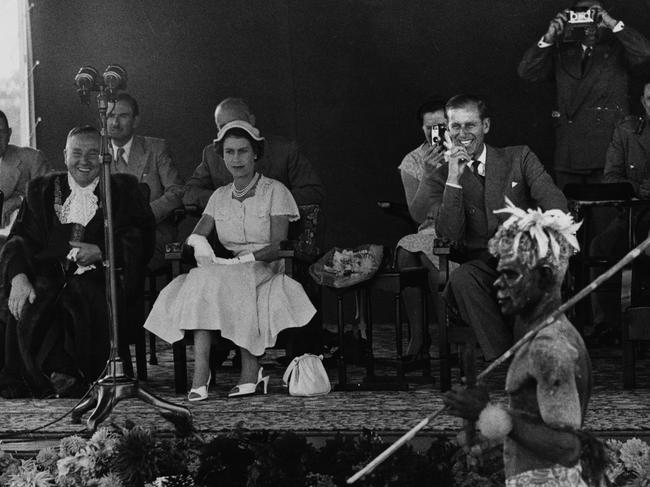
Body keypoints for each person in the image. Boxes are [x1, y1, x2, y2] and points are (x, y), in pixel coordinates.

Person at [144, 120, 316, 400]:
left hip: (267, 266)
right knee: (199, 277)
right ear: (221, 156)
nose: (236, 159)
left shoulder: (276, 191)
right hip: (231, 269)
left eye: (243, 151)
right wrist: (199, 244)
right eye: (230, 152)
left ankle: (250, 367)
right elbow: (197, 234)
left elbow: (278, 244)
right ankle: (202, 372)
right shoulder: (219, 197)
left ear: (255, 154)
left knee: (231, 276)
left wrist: (245, 259)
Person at [444, 202, 600, 487]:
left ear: (544, 276)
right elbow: (539, 423)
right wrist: (488, 439)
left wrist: (487, 412)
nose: (497, 285)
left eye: (511, 274)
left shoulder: (548, 347)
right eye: (499, 272)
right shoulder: (544, 337)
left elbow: (567, 447)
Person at [0, 126, 155, 398]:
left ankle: (74, 374)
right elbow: (18, 240)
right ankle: (56, 372)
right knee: (32, 300)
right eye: (77, 153)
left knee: (83, 298)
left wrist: (102, 251)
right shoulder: (41, 189)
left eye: (93, 153)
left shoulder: (123, 189)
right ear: (64, 155)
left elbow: (141, 239)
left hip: (97, 276)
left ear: (105, 155)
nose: (84, 161)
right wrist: (18, 277)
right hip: (47, 275)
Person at [429, 94, 567, 360]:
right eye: (455, 127)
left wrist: (531, 238)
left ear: (486, 126)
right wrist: (455, 177)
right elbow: (448, 235)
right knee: (461, 278)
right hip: (484, 267)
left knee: (534, 278)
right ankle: (506, 361)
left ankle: (528, 358)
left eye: (470, 125)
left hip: (525, 260)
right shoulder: (442, 174)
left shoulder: (519, 157)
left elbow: (554, 203)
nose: (462, 133)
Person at [517, 0, 650, 189]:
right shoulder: (562, 53)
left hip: (608, 151)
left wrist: (612, 23)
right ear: (571, 19)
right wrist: (549, 36)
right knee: (569, 215)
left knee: (607, 215)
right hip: (569, 151)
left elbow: (645, 53)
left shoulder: (618, 50)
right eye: (582, 15)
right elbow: (526, 71)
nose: (589, 24)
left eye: (593, 15)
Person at [588, 80, 650, 343]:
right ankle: (609, 325)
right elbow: (611, 178)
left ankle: (643, 324)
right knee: (600, 247)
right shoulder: (626, 131)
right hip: (634, 213)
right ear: (643, 101)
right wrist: (639, 188)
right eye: (649, 98)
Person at [182, 97, 324, 209]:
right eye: (223, 127)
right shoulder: (211, 154)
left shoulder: (285, 150)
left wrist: (265, 200)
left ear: (252, 121)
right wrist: (227, 199)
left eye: (236, 123)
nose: (231, 130)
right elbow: (189, 192)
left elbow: (313, 192)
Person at [107, 93, 184, 271]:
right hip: (111, 236)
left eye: (123, 116)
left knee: (123, 253)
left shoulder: (155, 149)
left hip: (152, 234)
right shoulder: (97, 154)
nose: (115, 122)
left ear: (135, 121)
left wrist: (144, 215)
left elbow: (177, 191)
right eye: (110, 116)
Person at [395, 97, 447, 359]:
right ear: (422, 129)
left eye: (441, 125)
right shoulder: (412, 161)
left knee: (421, 257)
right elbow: (417, 215)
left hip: (462, 228)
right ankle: (419, 333)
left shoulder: (465, 152)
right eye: (429, 127)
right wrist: (428, 173)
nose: (435, 133)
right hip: (428, 229)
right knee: (407, 250)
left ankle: (442, 333)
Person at [0, 110, 51, 234]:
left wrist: (18, 201)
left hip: (22, 242)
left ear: (9, 133)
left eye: (0, 132)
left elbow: (50, 196)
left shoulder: (32, 159)